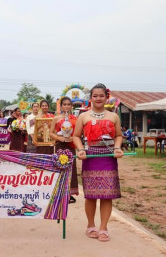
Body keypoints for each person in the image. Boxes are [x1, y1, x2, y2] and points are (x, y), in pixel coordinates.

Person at [73, 83, 123, 242]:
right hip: (90, 158)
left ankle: (103, 228)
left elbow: (119, 135)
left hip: (108, 158)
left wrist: (117, 148)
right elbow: (76, 136)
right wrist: (80, 150)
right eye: (95, 96)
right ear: (90, 98)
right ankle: (91, 225)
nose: (98, 98)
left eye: (101, 95)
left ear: (106, 97)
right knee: (91, 195)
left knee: (107, 195)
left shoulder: (114, 116)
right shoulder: (83, 116)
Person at [50, 96, 79, 203]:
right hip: (60, 146)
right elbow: (51, 133)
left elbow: (79, 133)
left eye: (68, 104)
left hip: (70, 145)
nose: (66, 106)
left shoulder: (76, 119)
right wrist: (59, 138)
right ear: (61, 106)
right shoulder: (56, 118)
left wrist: (73, 138)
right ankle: (60, 193)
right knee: (60, 166)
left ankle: (70, 193)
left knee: (71, 168)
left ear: (71, 106)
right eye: (64, 104)